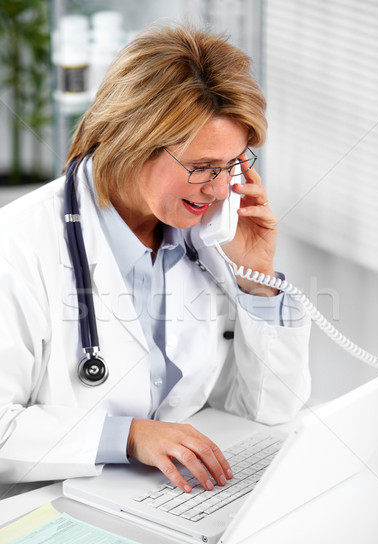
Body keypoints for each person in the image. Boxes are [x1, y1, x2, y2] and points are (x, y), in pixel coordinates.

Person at [0, 23, 311, 499]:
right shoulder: (18, 246)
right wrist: (129, 436)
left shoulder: (212, 240)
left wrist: (259, 279)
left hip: (167, 499)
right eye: (201, 167)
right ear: (130, 141)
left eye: (231, 165)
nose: (218, 189)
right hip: (46, 507)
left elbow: (270, 410)